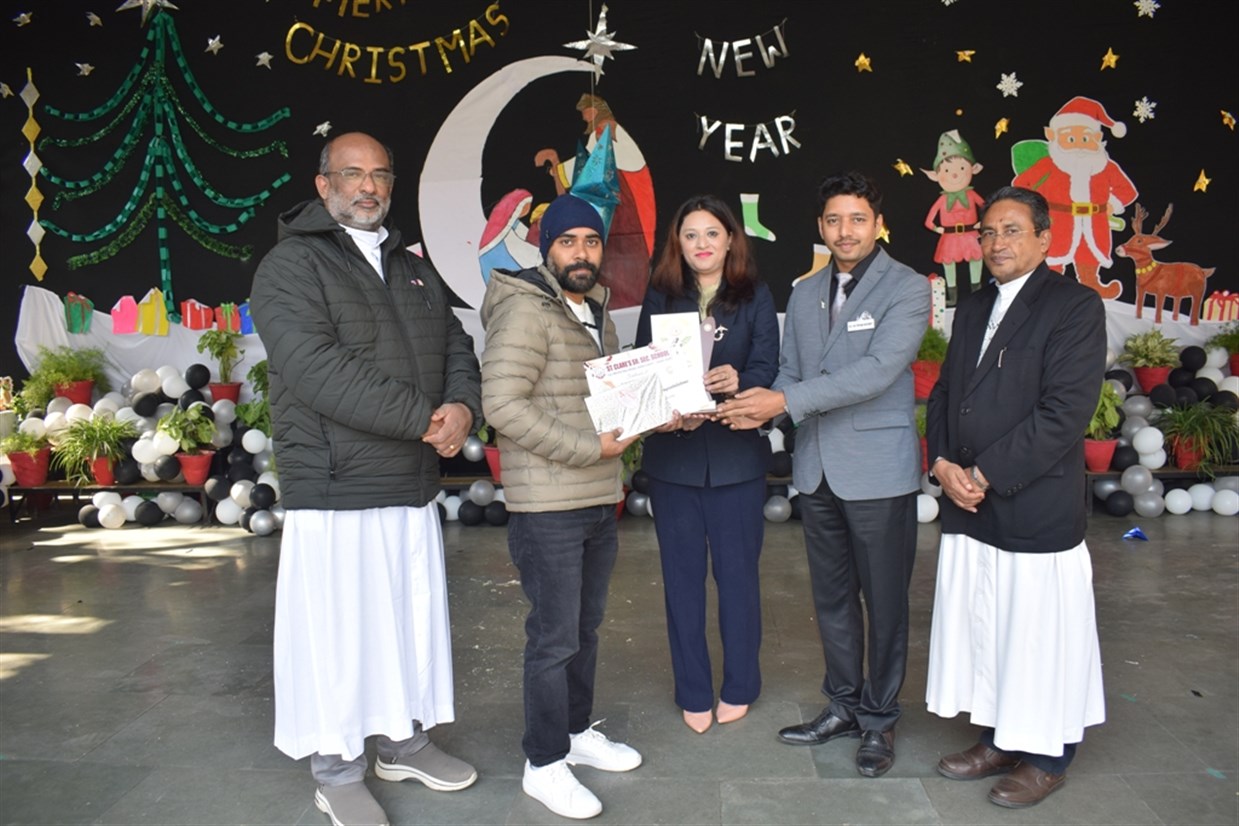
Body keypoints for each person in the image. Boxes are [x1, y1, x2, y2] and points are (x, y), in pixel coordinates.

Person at [251, 132, 482, 826]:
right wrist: (424, 419)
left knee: (406, 623)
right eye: (352, 174)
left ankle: (402, 743)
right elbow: (315, 367)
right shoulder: (291, 265)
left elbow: (456, 344)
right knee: (339, 636)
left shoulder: (409, 266)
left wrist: (462, 406)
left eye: (380, 174)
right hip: (337, 485)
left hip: (407, 482)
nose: (368, 187)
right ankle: (337, 771)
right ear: (323, 185)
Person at [717, 171, 929, 778]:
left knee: (884, 603)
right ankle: (842, 705)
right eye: (834, 220)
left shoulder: (907, 287)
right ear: (820, 227)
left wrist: (783, 402)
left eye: (857, 219)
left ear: (878, 224)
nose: (845, 231)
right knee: (832, 599)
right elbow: (789, 370)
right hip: (817, 470)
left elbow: (878, 371)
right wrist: (753, 404)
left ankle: (880, 719)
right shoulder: (806, 290)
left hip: (877, 472)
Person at [925, 185, 1106, 809]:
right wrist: (942, 463)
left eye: (1011, 230)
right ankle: (1001, 737)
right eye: (988, 232)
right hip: (970, 502)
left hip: (1031, 502)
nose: (996, 242)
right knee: (989, 624)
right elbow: (946, 393)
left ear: (1044, 238)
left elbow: (1064, 413)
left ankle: (1049, 755)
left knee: (1039, 633)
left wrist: (983, 474)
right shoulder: (975, 305)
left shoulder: (1074, 306)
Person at [480, 193, 643, 821]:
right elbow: (503, 405)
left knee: (583, 629)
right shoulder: (527, 309)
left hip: (598, 495)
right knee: (553, 638)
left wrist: (654, 410)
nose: (581, 253)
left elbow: (604, 400)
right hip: (548, 505)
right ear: (546, 247)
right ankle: (544, 763)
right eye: (568, 241)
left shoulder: (594, 310)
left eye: (592, 241)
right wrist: (588, 448)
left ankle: (574, 733)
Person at [634, 195, 779, 734]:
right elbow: (642, 365)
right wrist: (666, 407)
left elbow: (770, 364)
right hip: (674, 459)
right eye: (690, 234)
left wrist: (739, 380)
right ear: (678, 243)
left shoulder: (755, 294)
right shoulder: (661, 294)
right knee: (682, 582)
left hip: (736, 458)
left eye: (712, 233)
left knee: (739, 580)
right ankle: (692, 690)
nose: (702, 244)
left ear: (730, 239)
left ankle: (740, 685)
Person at [1012, 96, 1137, 300]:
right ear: (1053, 136)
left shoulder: (1105, 166)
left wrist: (1114, 203)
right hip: (1058, 221)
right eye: (1070, 139)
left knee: (1089, 253)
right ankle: (1048, 287)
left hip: (1094, 222)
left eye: (1085, 139)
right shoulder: (1050, 164)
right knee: (1053, 253)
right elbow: (1021, 183)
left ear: (1097, 138)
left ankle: (1091, 283)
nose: (1079, 145)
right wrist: (1034, 208)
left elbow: (1127, 190)